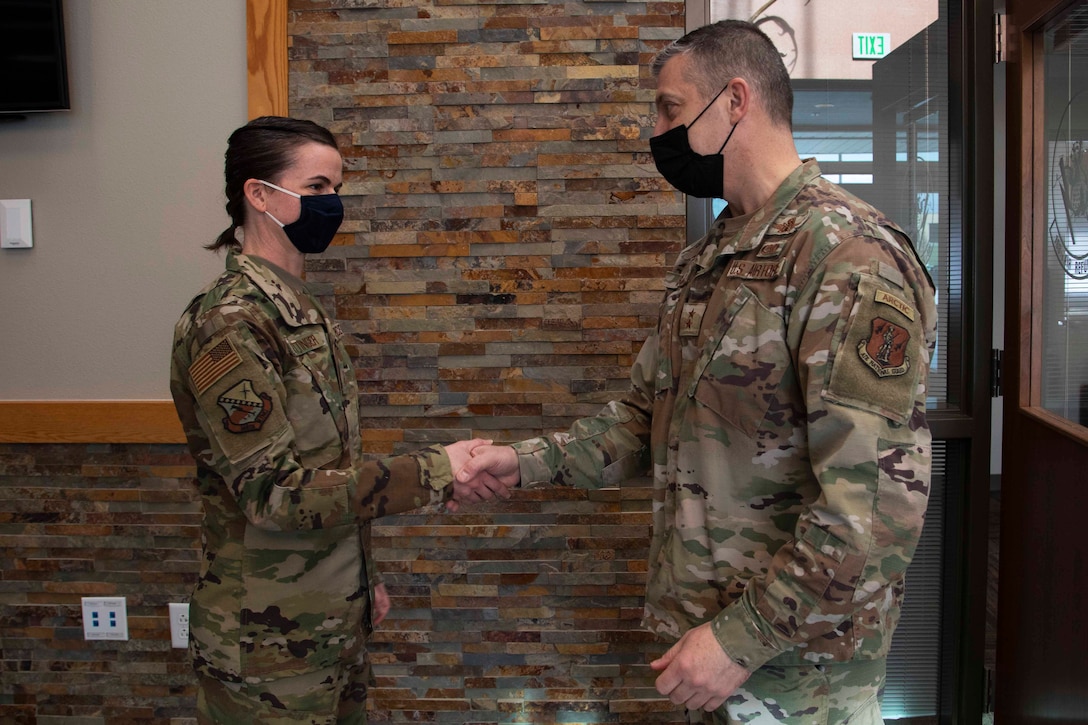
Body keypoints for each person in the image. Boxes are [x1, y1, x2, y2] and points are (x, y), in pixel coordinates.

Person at [457, 19, 938, 725]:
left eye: (670, 109)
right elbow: (643, 418)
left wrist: (740, 641)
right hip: (703, 657)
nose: (655, 129)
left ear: (735, 101)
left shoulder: (847, 255)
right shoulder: (708, 259)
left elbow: (874, 512)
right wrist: (519, 462)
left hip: (799, 683)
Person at [169, 116, 506, 724]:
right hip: (269, 648)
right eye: (318, 187)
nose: (334, 204)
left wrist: (361, 579)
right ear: (259, 194)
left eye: (336, 188)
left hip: (329, 620)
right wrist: (437, 469)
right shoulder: (233, 324)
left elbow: (331, 472)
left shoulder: (300, 312)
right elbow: (274, 494)